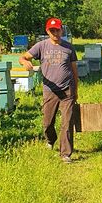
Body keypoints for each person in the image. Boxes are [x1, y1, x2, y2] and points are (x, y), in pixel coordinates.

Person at [20, 18, 79, 163]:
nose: (55, 33)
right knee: (47, 123)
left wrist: (75, 90)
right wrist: (25, 62)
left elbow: (74, 70)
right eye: (52, 30)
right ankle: (51, 139)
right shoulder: (41, 46)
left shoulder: (69, 48)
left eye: (57, 30)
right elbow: (23, 57)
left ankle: (65, 154)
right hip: (50, 90)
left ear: (61, 30)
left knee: (67, 123)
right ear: (47, 31)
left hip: (67, 90)